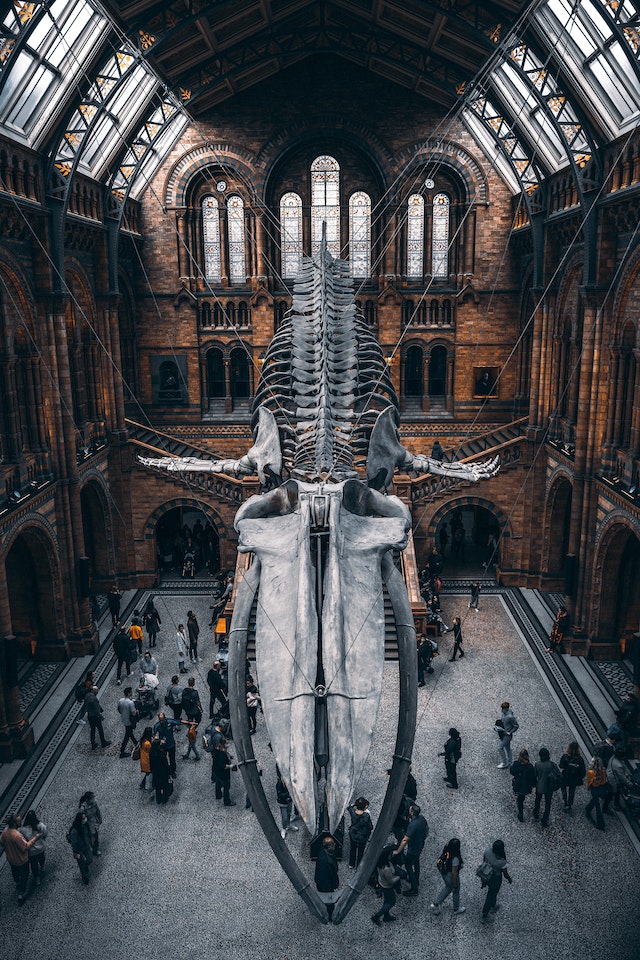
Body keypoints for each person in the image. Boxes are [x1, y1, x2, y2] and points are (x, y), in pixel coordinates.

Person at [1, 814, 40, 902]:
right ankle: (21, 893)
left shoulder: (5, 832)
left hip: (11, 859)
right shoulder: (17, 835)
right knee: (24, 876)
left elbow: (1, 841)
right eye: (19, 821)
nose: (21, 822)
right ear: (15, 823)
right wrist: (35, 838)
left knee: (15, 872)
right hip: (21, 860)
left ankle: (17, 882)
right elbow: (25, 847)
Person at [395, 802, 428, 897]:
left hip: (413, 849)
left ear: (412, 812)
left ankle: (414, 888)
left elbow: (405, 839)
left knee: (408, 866)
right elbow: (426, 829)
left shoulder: (412, 825)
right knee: (416, 863)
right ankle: (416, 879)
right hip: (420, 845)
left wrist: (398, 850)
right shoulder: (422, 819)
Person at [430, 837, 465, 915]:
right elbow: (454, 873)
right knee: (455, 891)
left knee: (448, 888)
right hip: (450, 875)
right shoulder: (455, 859)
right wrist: (455, 884)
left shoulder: (446, 849)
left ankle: (436, 903)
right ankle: (456, 908)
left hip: (444, 872)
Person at [371, 846, 405, 925]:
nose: (392, 855)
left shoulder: (380, 863)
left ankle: (386, 916)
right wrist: (400, 876)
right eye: (390, 854)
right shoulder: (386, 869)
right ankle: (376, 916)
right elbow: (391, 881)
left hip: (382, 883)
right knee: (391, 902)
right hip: (387, 887)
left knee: (387, 901)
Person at [480, 839, 512, 919]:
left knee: (492, 892)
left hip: (486, 873)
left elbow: (484, 860)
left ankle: (493, 905)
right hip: (495, 878)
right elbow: (505, 873)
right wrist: (509, 879)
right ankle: (485, 911)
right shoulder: (502, 861)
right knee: (492, 893)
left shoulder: (487, 851)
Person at [533, 747, 560, 827]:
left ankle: (536, 813)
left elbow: (535, 775)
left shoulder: (537, 764)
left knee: (537, 800)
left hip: (540, 786)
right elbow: (558, 775)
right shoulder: (552, 764)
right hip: (549, 787)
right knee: (548, 804)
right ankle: (544, 820)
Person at [20, 810, 47, 887]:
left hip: (31, 851)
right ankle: (42, 867)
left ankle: (37, 878)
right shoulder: (41, 825)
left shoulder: (23, 829)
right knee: (42, 858)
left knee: (34, 865)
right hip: (41, 847)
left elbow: (23, 839)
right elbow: (45, 834)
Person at [510, 748, 536, 822]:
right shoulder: (530, 766)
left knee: (519, 800)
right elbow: (532, 777)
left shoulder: (516, 764)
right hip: (526, 786)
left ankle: (520, 815)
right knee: (521, 797)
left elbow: (512, 772)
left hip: (518, 785)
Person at [559, 741, 586, 812]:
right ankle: (569, 804)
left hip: (565, 776)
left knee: (563, 788)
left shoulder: (565, 757)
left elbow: (561, 766)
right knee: (572, 790)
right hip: (574, 778)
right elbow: (583, 772)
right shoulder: (580, 759)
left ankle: (565, 801)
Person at [585, 756, 610, 831]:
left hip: (594, 789)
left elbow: (589, 781)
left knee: (597, 806)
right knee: (595, 801)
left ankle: (600, 824)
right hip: (601, 788)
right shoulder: (603, 770)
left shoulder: (590, 772)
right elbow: (605, 780)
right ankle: (588, 809)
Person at [347, 797, 373, 869]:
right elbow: (370, 826)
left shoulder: (353, 812)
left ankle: (351, 864)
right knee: (361, 850)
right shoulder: (366, 816)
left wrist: (354, 804)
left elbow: (349, 807)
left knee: (353, 848)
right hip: (362, 835)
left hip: (353, 834)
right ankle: (358, 864)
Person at [68, 810, 93, 884]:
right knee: (81, 864)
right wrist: (75, 852)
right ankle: (84, 876)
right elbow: (74, 843)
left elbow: (88, 835)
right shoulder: (74, 831)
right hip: (79, 850)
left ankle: (86, 866)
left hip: (86, 846)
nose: (85, 819)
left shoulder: (84, 826)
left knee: (89, 859)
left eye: (85, 817)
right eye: (83, 818)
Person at [314, 836, 339, 909]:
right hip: (326, 886)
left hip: (325, 883)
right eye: (333, 845)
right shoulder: (324, 861)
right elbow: (324, 877)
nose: (334, 845)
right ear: (329, 846)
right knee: (329, 902)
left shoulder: (323, 851)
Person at [154, 712, 181, 777]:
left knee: (172, 758)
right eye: (160, 720)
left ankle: (173, 771)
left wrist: (188, 723)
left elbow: (178, 722)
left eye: (162, 719)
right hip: (163, 746)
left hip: (171, 744)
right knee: (163, 758)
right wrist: (157, 739)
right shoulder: (157, 725)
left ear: (165, 718)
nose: (162, 721)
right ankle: (166, 770)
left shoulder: (170, 722)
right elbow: (153, 733)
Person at [84, 685, 111, 749]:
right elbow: (96, 709)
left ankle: (93, 743)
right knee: (100, 729)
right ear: (94, 691)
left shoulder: (87, 696)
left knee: (92, 730)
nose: (97, 692)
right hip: (95, 717)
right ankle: (103, 742)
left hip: (90, 716)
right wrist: (101, 716)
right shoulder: (94, 698)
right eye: (97, 691)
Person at [276, 767, 299, 839]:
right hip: (282, 802)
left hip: (288, 801)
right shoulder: (279, 784)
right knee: (284, 816)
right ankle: (283, 828)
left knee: (289, 813)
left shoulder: (289, 782)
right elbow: (280, 794)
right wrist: (288, 794)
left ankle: (288, 825)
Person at [212, 738, 236, 805]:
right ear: (224, 743)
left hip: (216, 770)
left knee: (218, 782)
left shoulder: (217, 748)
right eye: (227, 742)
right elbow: (223, 765)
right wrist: (231, 766)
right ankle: (227, 801)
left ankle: (218, 795)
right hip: (223, 774)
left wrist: (229, 756)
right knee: (226, 787)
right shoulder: (222, 753)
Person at [79, 791, 103, 857]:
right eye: (92, 798)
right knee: (91, 839)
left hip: (95, 824)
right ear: (87, 800)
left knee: (96, 837)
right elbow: (80, 819)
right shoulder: (83, 808)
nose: (94, 799)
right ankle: (92, 850)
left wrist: (100, 819)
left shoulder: (94, 803)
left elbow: (97, 811)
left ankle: (95, 849)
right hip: (88, 826)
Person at [149, 736, 171, 804]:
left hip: (156, 772)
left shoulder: (152, 753)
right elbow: (166, 764)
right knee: (164, 786)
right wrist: (169, 772)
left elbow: (151, 764)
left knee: (158, 787)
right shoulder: (162, 755)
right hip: (163, 772)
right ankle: (164, 798)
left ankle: (158, 799)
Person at [117, 686, 139, 758]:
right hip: (129, 721)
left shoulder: (120, 700)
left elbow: (119, 710)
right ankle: (122, 751)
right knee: (127, 735)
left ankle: (136, 744)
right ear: (129, 693)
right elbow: (133, 713)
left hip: (124, 719)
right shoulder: (131, 703)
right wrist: (137, 711)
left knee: (129, 733)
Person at [496, 701, 518, 768]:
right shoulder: (504, 713)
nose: (502, 710)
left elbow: (516, 726)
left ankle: (504, 763)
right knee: (508, 748)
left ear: (506, 708)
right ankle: (510, 762)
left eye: (503, 709)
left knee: (500, 748)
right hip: (503, 733)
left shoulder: (510, 717)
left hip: (507, 735)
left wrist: (510, 732)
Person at [138, 726, 153, 790]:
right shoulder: (147, 743)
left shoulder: (142, 740)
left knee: (148, 773)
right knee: (149, 773)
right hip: (147, 761)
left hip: (143, 759)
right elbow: (151, 750)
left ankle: (142, 784)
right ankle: (147, 786)